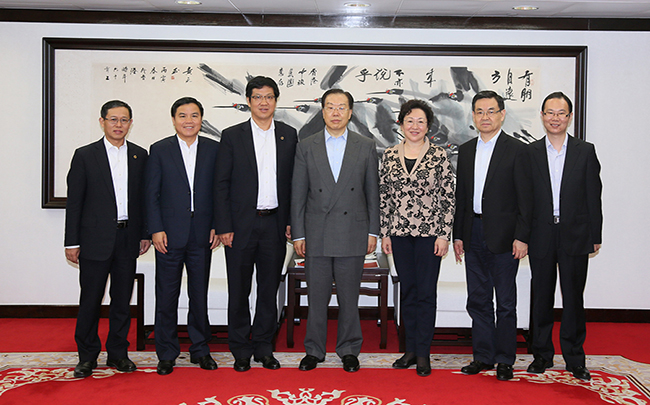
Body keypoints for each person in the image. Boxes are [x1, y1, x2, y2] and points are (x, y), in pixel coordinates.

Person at [291, 88, 380, 372]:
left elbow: (372, 193)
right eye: (330, 107)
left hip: (352, 231)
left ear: (350, 112)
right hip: (316, 233)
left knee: (349, 297)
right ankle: (314, 350)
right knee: (316, 298)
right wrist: (299, 234)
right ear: (322, 111)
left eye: (342, 107)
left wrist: (373, 232)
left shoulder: (365, 145)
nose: (336, 112)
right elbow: (298, 195)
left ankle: (349, 349)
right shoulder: (307, 145)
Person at [215, 76, 298, 372]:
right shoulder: (232, 136)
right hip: (239, 227)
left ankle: (264, 347)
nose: (264, 102)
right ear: (249, 101)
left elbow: (294, 183)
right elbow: (221, 184)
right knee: (239, 290)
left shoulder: (289, 135)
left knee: (268, 289)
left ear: (276, 101)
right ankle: (240, 348)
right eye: (258, 97)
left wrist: (292, 222)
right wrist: (223, 226)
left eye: (269, 97)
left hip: (275, 225)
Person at [64, 100, 151, 378]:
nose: (118, 125)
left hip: (128, 238)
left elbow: (144, 200)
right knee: (90, 300)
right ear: (102, 122)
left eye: (124, 120)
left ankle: (118, 353)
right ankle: (87, 356)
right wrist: (71, 242)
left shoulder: (139, 155)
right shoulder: (85, 155)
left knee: (122, 301)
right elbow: (74, 202)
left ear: (130, 123)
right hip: (94, 240)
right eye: (113, 119)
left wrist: (145, 234)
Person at [453, 90, 530, 381]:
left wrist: (522, 236)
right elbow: (462, 197)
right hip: (472, 232)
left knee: (505, 302)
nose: (485, 117)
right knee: (478, 299)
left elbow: (526, 200)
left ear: (502, 114)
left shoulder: (518, 150)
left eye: (491, 111)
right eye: (479, 112)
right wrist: (458, 235)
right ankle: (483, 356)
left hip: (506, 237)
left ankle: (505, 359)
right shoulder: (466, 150)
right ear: (473, 116)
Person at [525, 92, 602, 381]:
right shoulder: (530, 153)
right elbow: (525, 199)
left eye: (561, 113)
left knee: (573, 298)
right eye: (550, 113)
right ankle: (541, 355)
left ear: (569, 117)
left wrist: (595, 234)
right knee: (541, 297)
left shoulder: (585, 151)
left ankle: (575, 358)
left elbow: (593, 195)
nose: (555, 118)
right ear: (542, 116)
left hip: (576, 234)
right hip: (541, 234)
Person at [379, 99, 455, 377]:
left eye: (420, 121)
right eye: (409, 120)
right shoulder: (389, 156)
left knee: (426, 293)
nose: (414, 126)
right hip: (399, 235)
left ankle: (423, 352)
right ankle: (409, 349)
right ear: (401, 124)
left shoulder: (439, 155)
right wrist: (385, 232)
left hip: (429, 236)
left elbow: (448, 197)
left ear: (428, 126)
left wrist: (444, 234)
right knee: (408, 292)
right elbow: (384, 197)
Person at [145, 97, 220, 375]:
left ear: (201, 119)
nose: (189, 121)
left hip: (202, 234)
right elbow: (151, 194)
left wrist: (217, 225)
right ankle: (166, 353)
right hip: (168, 236)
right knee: (167, 296)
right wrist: (155, 229)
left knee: (199, 295)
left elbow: (219, 192)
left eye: (194, 115)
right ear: (174, 119)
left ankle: (200, 349)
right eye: (182, 115)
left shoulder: (214, 149)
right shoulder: (160, 149)